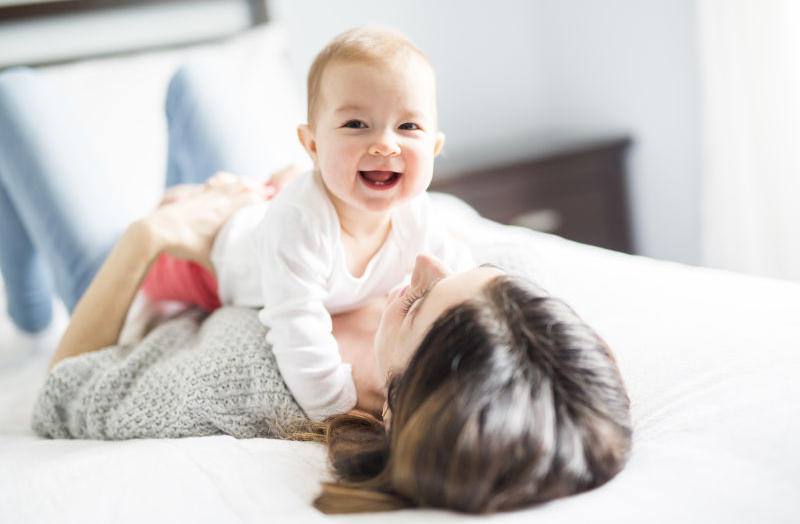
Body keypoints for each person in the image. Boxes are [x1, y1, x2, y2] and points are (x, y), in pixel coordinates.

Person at [0, 32, 632, 516]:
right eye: (357, 123)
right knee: (199, 80)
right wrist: (298, 189)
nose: (425, 266)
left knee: (13, 96)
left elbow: (64, 395)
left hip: (156, 277)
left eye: (419, 299)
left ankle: (27, 294)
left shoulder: (253, 382)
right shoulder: (500, 321)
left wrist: (150, 236)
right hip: (260, 217)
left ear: (392, 406)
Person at [138, 25, 473, 422]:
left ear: (434, 148)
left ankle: (194, 192)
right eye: (356, 124)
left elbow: (461, 280)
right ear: (312, 145)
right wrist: (335, 409)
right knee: (151, 278)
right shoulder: (300, 224)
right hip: (213, 262)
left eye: (408, 127)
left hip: (266, 214)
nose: (386, 143)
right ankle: (179, 204)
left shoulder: (418, 215)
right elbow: (297, 331)